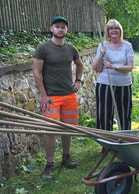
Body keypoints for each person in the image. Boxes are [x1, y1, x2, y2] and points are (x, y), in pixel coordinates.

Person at [32, 16, 83, 179]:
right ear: (51, 29)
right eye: (57, 26)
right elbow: (36, 72)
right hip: (51, 98)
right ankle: (49, 165)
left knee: (68, 129)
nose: (60, 29)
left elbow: (79, 64)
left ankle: (66, 158)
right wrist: (43, 95)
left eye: (63, 27)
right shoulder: (43, 48)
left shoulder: (71, 48)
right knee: (50, 131)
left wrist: (78, 80)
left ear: (66, 30)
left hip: (69, 96)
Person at [93, 19, 134, 132]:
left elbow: (130, 67)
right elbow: (96, 68)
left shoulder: (127, 46)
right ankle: (106, 143)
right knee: (104, 114)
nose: (113, 30)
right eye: (111, 28)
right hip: (105, 84)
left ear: (120, 30)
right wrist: (101, 55)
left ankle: (124, 139)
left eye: (116, 28)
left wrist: (113, 67)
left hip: (124, 84)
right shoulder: (102, 46)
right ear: (107, 31)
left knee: (124, 114)